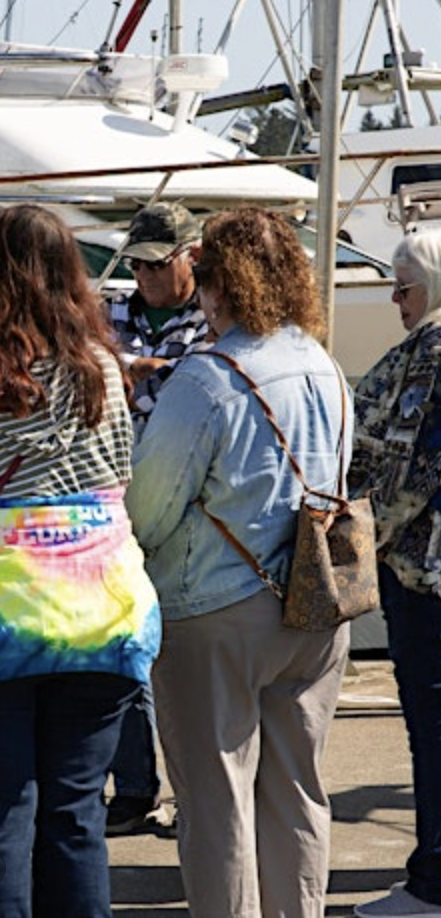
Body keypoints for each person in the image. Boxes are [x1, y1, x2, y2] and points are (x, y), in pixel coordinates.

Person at [0, 204, 160, 917]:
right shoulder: (106, 369)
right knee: (75, 817)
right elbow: (120, 479)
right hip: (101, 618)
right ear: (72, 275)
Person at [126, 207, 352, 918]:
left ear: (218, 283)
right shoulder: (325, 364)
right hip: (317, 606)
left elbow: (148, 509)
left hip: (215, 609)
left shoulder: (209, 379)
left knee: (216, 801)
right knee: (296, 792)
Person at [105, 201, 208, 835]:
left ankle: (197, 797)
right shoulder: (107, 309)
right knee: (126, 648)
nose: (143, 276)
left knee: (188, 661)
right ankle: (135, 790)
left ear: (189, 257)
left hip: (188, 514)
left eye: (156, 263)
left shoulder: (214, 317)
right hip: (116, 508)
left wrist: (123, 377)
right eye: (136, 264)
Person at [350, 229, 441, 918]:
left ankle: (433, 883)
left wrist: (360, 536)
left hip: (423, 577)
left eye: (404, 287)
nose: (394, 299)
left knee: (433, 728)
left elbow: (411, 467)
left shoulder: (431, 352)